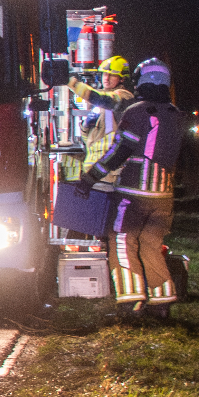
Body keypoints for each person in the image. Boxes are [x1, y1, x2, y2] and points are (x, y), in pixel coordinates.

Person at [75, 57, 183, 316]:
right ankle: (163, 301)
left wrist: (90, 178)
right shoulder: (176, 115)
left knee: (122, 241)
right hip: (164, 195)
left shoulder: (136, 112)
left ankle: (131, 301)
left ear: (140, 82)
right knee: (150, 244)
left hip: (134, 194)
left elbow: (119, 151)